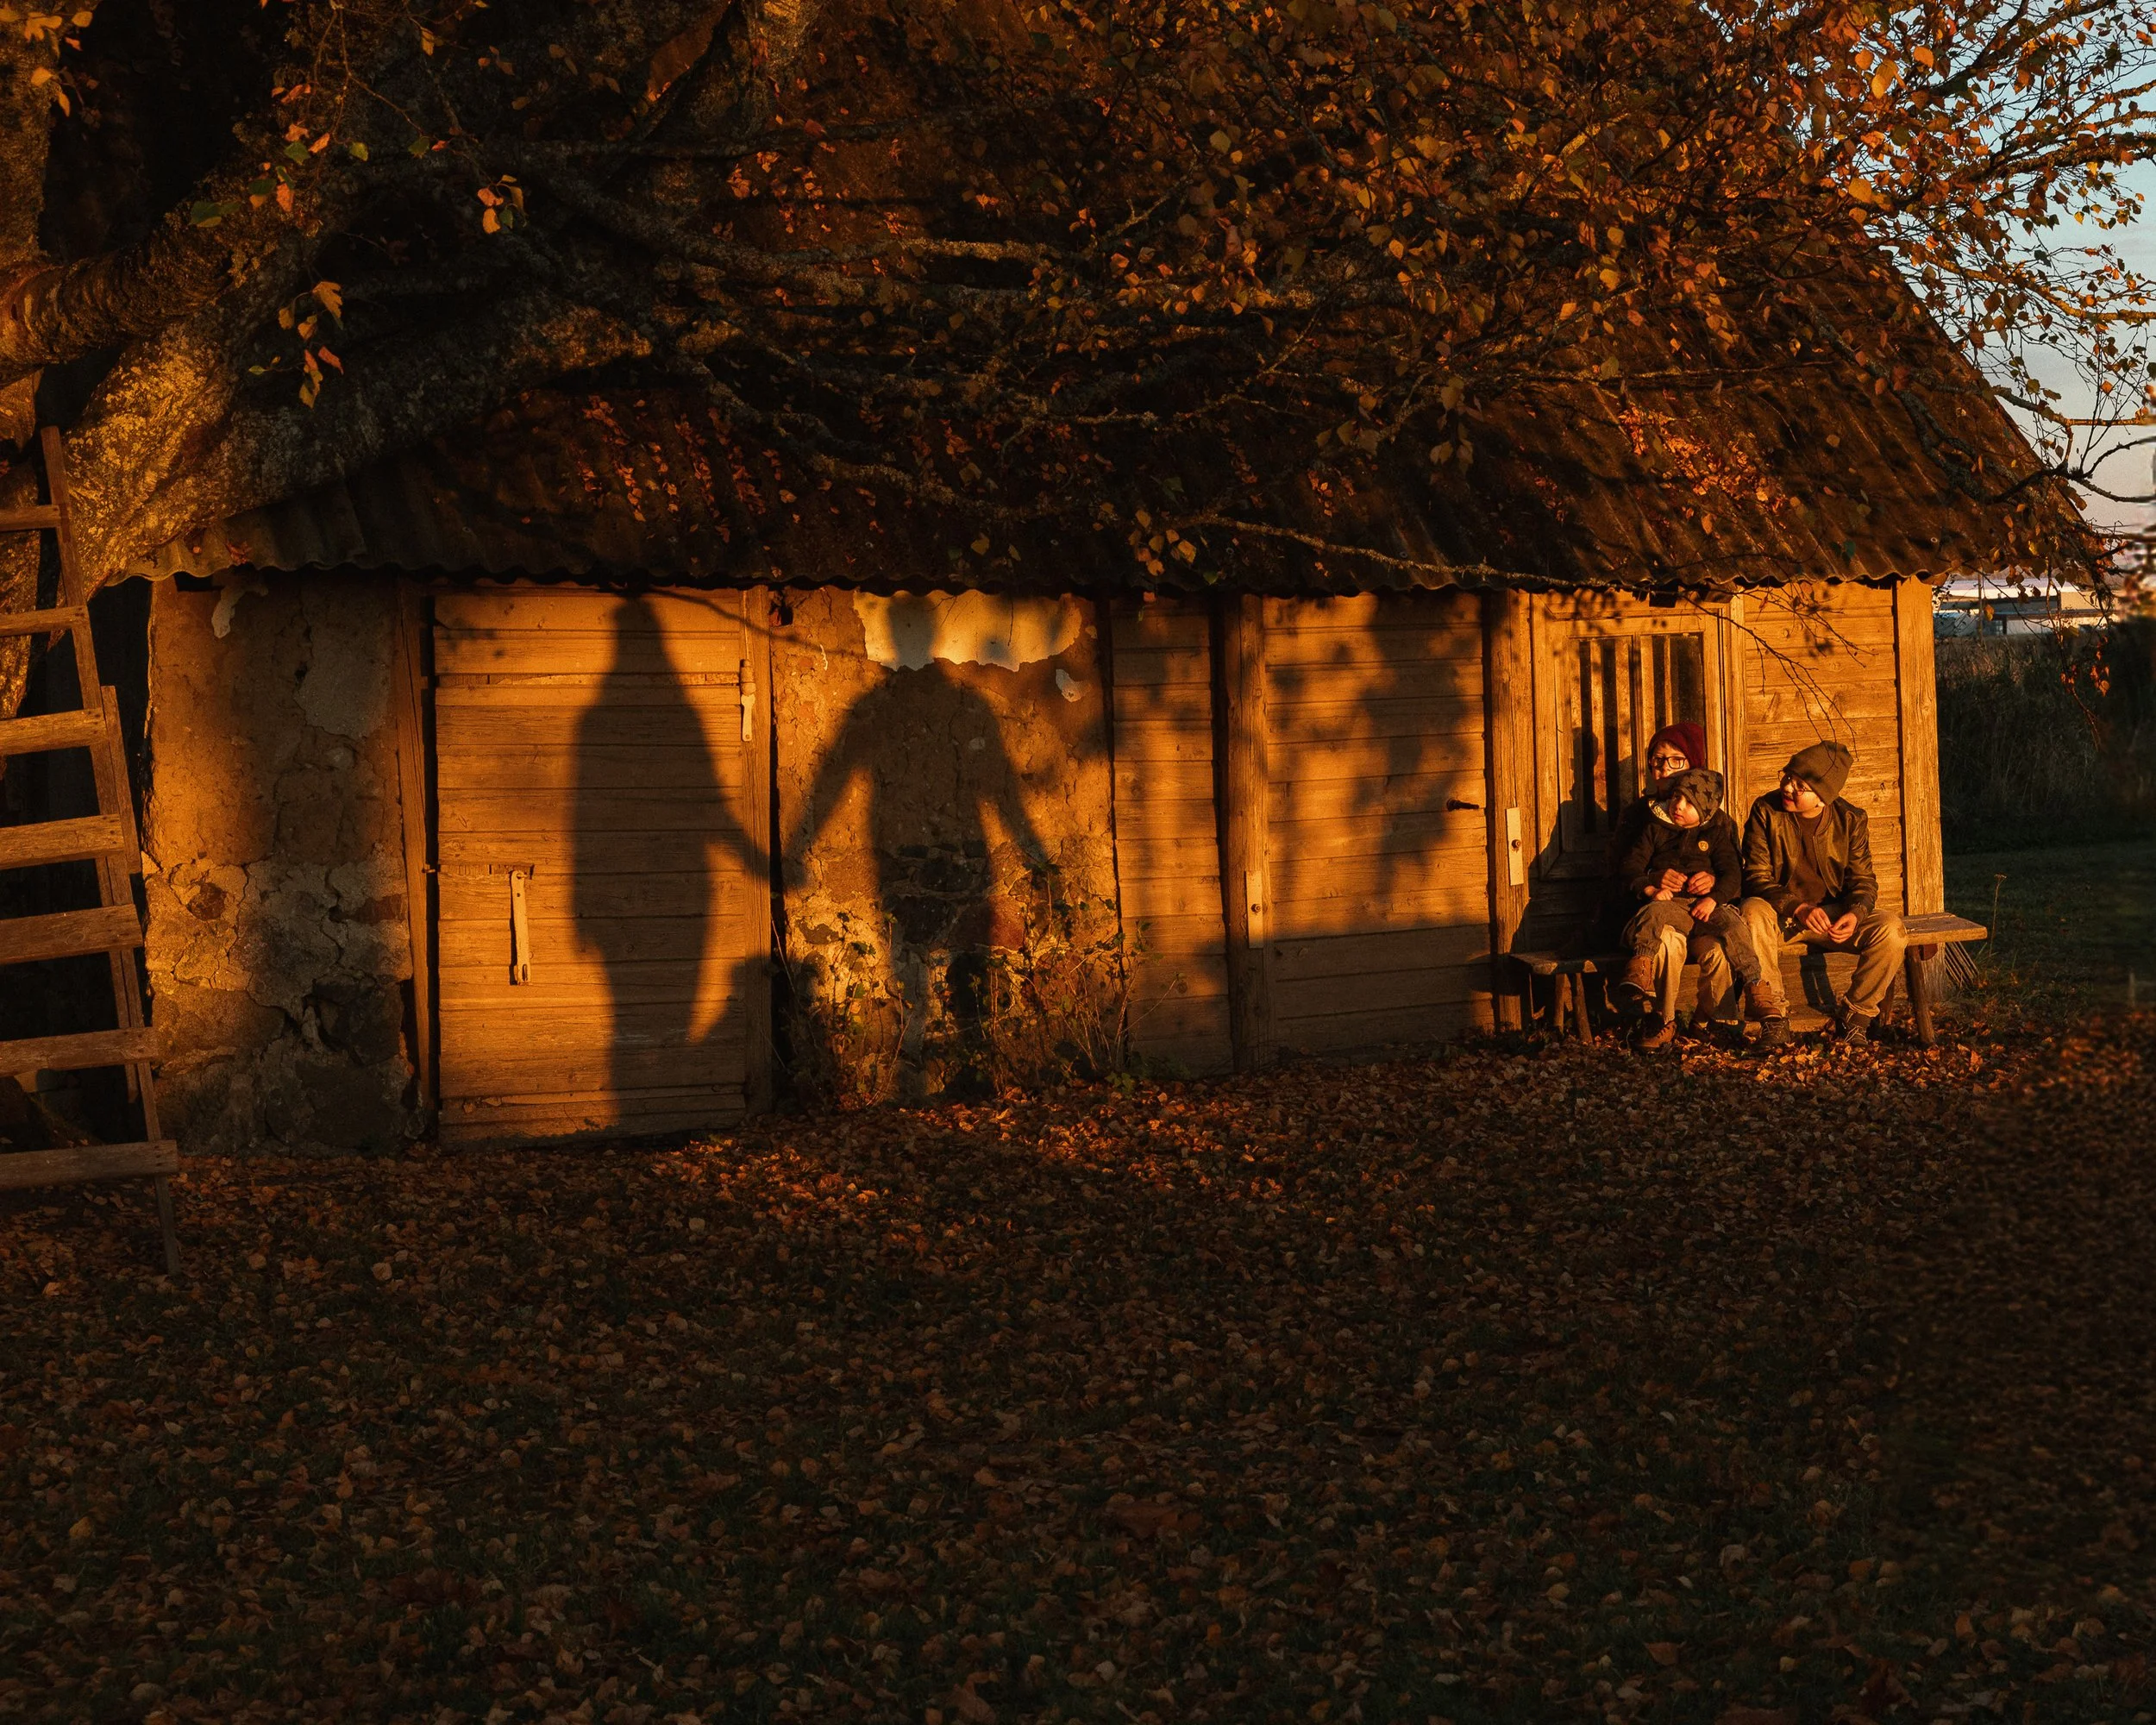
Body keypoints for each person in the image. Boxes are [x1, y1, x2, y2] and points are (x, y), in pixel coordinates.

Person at [1739, 741, 1907, 1047]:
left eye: (1800, 785)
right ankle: (1773, 1019)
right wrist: (1796, 907)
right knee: (1751, 911)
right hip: (1782, 917)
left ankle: (1855, 1018)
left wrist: (1855, 914)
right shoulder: (1766, 811)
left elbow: (1864, 881)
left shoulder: (1850, 820)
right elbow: (1755, 877)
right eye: (1787, 777)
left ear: (1823, 797)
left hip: (1833, 917)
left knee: (1891, 930)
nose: (1788, 787)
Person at [1610, 768, 1771, 1048]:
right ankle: (1641, 967)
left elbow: (1733, 873)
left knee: (1735, 927)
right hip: (1672, 905)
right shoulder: (1655, 827)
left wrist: (1714, 896)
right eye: (1676, 797)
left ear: (1705, 810)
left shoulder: (1716, 833)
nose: (1678, 806)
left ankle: (1755, 985)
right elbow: (1631, 866)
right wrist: (1650, 887)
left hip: (1708, 907)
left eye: (1688, 803)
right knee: (1652, 912)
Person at [1600, 721, 1739, 1032]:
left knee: (1717, 951)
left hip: (1702, 916)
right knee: (1668, 942)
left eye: (1676, 760)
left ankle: (1716, 1024)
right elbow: (1615, 879)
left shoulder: (1719, 823)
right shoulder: (1638, 817)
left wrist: (1713, 884)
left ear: (1695, 764)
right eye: (1657, 759)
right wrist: (1652, 880)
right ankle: (1664, 1021)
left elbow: (1734, 873)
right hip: (1654, 917)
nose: (1664, 768)